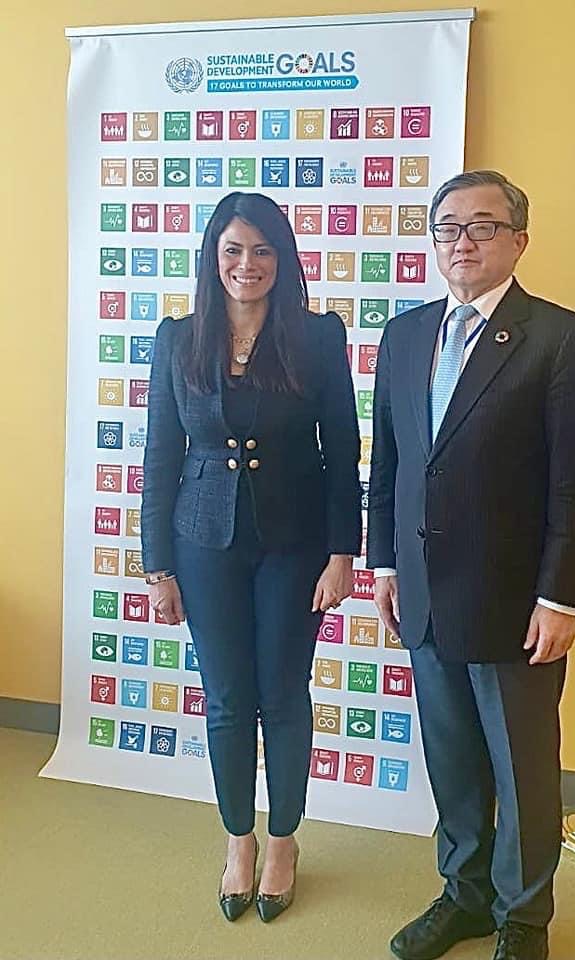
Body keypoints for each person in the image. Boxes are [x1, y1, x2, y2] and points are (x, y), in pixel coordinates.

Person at [367, 170, 575, 960]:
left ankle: (524, 919)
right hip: (425, 594)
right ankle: (465, 897)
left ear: (518, 240)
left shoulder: (563, 340)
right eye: (448, 227)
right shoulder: (405, 336)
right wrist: (385, 565)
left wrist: (561, 598)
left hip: (516, 604)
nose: (463, 241)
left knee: (524, 772)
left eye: (483, 226)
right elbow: (393, 463)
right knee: (453, 764)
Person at [141, 191, 361, 923]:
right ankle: (239, 841)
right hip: (203, 544)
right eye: (233, 249)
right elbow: (161, 456)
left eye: (263, 250)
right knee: (228, 699)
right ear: (213, 256)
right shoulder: (178, 339)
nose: (247, 264)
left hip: (295, 545)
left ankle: (284, 841)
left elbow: (342, 450)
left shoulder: (318, 336)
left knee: (283, 694)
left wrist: (343, 552)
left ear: (282, 258)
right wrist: (158, 566)